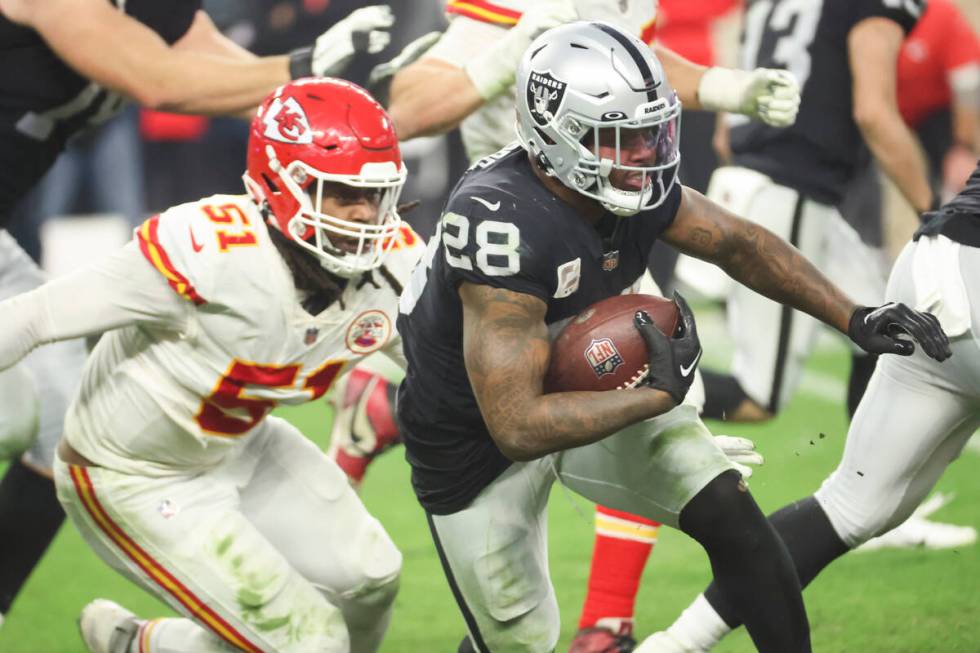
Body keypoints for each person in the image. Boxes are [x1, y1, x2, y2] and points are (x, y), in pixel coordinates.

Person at [394, 21, 949, 653]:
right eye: (623, 139)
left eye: (651, 131)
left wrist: (855, 316)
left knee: (728, 509)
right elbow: (516, 426)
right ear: (560, 137)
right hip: (474, 442)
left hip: (584, 383)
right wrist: (651, 398)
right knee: (519, 641)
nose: (646, 155)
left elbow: (741, 244)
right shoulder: (501, 223)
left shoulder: (625, 184)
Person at [331, 3, 798, 648]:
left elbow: (644, 75)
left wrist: (726, 87)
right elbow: (406, 109)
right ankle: (389, 404)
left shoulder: (618, 18)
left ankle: (608, 620)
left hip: (605, 215)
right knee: (516, 631)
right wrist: (506, 56)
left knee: (683, 437)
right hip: (517, 237)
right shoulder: (515, 15)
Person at [0, 0, 394, 629]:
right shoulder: (203, 246)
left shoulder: (160, 9)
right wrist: (307, 62)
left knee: (47, 426)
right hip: (134, 472)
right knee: (19, 412)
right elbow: (159, 82)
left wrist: (461, 74)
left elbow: (264, 95)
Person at [637, 160, 980, 653]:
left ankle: (673, 644)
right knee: (763, 397)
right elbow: (874, 112)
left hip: (932, 265)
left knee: (848, 506)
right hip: (956, 263)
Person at [676, 0, 933, 425]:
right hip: (791, 191)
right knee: (756, 398)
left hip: (761, 176)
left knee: (881, 332)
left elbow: (727, 123)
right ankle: (626, 390)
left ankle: (872, 483)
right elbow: (874, 111)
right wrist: (932, 211)